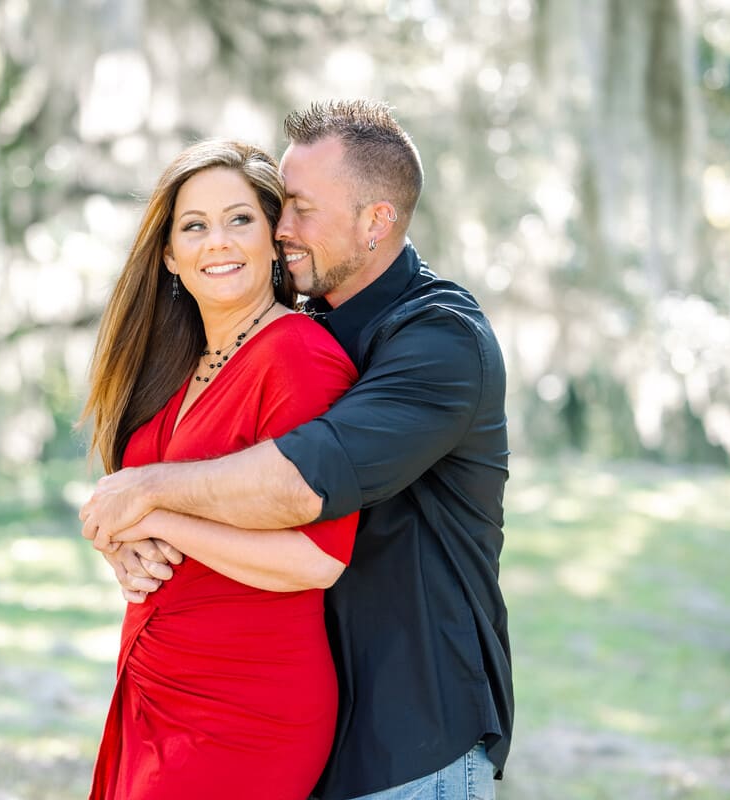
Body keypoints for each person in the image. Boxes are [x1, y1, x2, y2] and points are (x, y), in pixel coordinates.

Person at [81, 100, 513, 800]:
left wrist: (146, 500)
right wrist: (123, 525)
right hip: (300, 715)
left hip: (410, 729)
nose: (280, 229)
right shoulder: (311, 324)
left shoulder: (441, 342)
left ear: (376, 222)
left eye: (299, 209)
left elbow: (300, 484)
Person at [79, 138, 362, 799]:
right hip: (153, 685)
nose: (218, 242)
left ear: (274, 239)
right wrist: (122, 539)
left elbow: (316, 561)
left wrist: (160, 517)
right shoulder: (173, 370)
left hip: (248, 702)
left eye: (240, 219)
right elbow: (143, 504)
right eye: (194, 227)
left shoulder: (298, 355)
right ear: (171, 256)